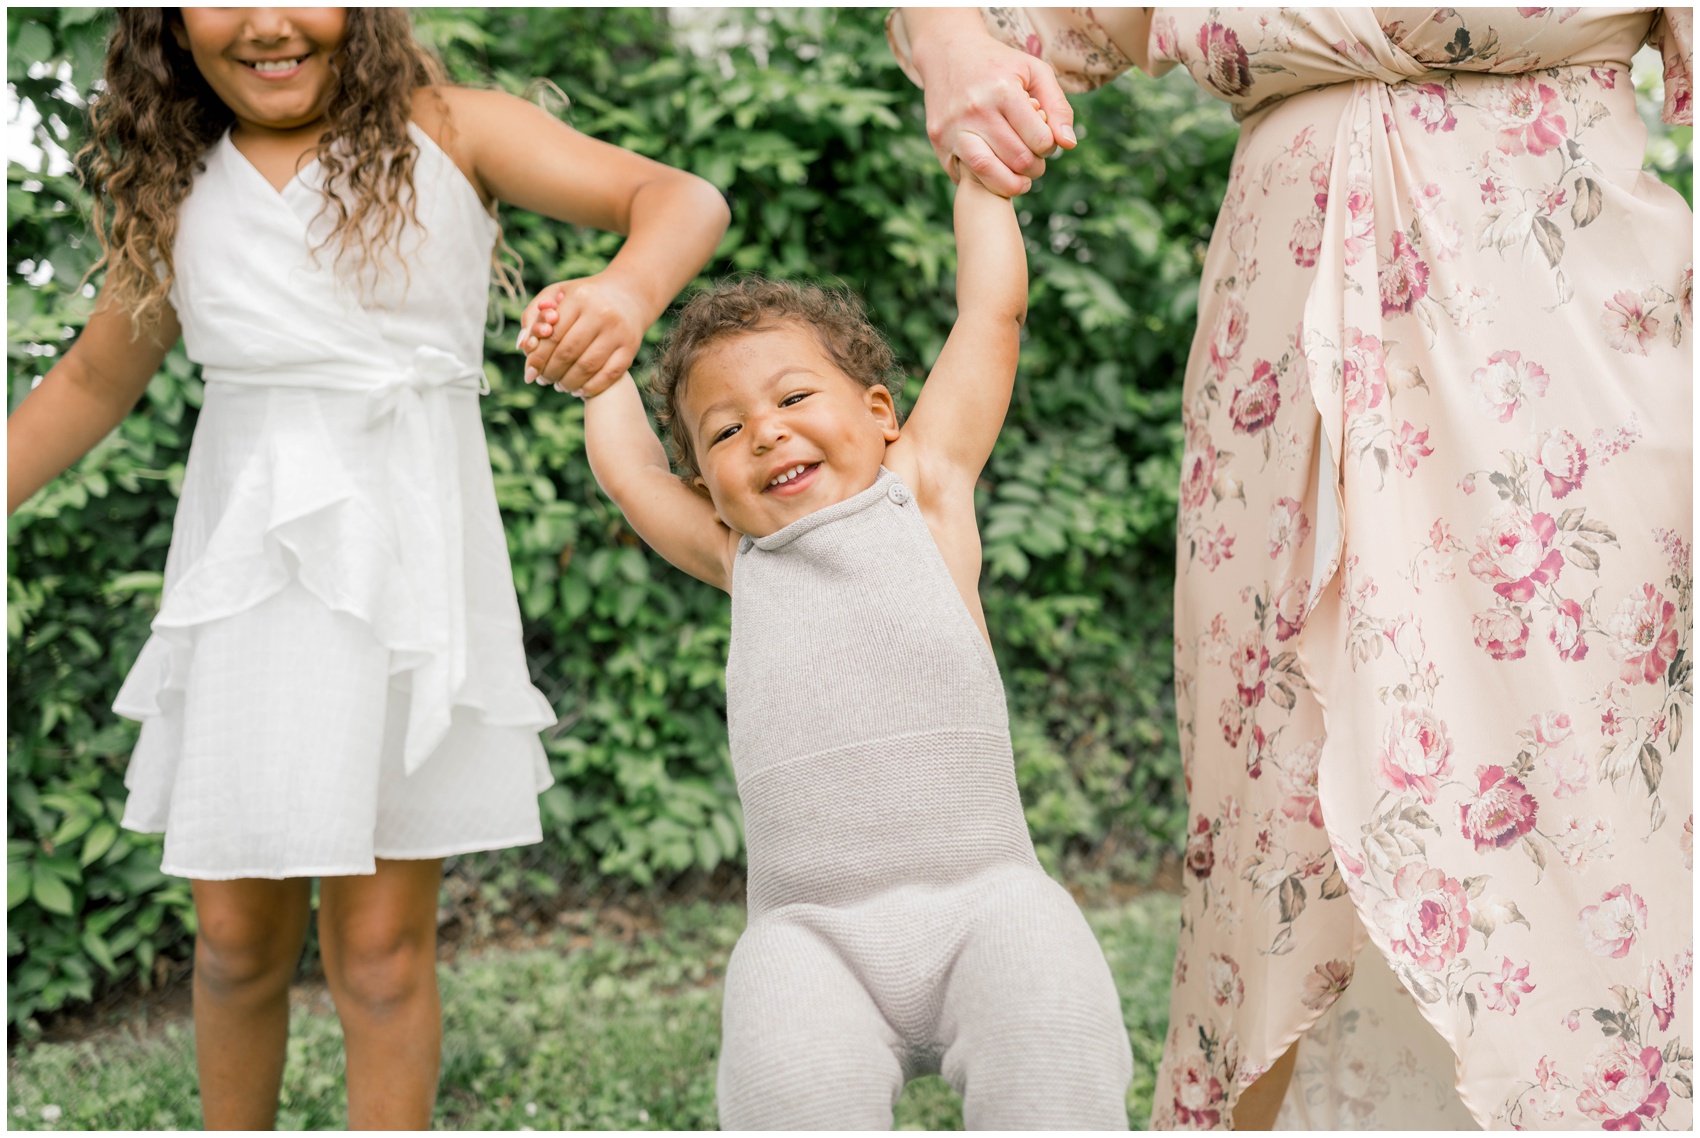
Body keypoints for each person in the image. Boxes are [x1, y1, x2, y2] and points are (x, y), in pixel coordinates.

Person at [891, 6, 1693, 1131]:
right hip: (1277, 391)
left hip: (1565, 383)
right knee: (1270, 786)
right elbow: (992, 21)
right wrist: (954, 55)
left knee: (1577, 798)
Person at [6, 7, 728, 1128]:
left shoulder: (451, 128)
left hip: (410, 576)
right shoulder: (174, 177)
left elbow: (681, 198)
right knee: (235, 943)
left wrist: (624, 293)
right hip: (249, 582)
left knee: (384, 953)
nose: (267, 22)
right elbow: (96, 382)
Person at [562, 169, 1132, 1128]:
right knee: (787, 1094)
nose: (767, 431)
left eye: (792, 397)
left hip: (985, 902)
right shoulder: (737, 553)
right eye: (727, 430)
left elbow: (993, 313)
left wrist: (976, 173)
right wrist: (598, 362)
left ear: (878, 412)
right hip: (811, 933)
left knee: (1057, 1054)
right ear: (704, 480)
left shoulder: (929, 491)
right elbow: (627, 472)